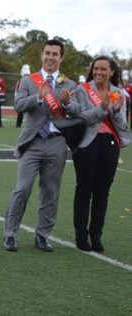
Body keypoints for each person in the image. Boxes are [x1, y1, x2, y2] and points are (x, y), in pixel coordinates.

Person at [3, 39, 77, 252]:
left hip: (57, 143)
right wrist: (38, 96)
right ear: (41, 55)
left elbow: (79, 114)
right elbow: (18, 105)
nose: (50, 57)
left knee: (50, 191)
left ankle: (43, 236)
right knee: (22, 188)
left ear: (61, 58)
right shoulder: (28, 81)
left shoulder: (70, 85)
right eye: (47, 53)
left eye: (55, 54)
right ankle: (10, 235)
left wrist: (68, 105)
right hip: (32, 143)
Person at [67, 56, 131, 252]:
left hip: (110, 144)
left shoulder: (118, 93)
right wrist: (102, 108)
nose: (99, 73)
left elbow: (121, 125)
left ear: (112, 71)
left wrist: (117, 109)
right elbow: (81, 117)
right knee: (84, 189)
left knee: (102, 192)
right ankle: (81, 236)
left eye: (103, 69)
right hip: (87, 143)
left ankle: (96, 236)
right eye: (96, 69)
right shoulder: (83, 89)